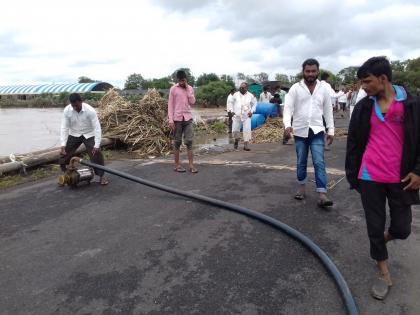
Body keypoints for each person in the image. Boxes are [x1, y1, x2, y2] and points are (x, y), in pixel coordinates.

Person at [345, 56, 420, 300]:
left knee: (402, 228)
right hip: (371, 176)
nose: (363, 87)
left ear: (383, 78)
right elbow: (354, 142)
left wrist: (418, 171)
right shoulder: (364, 107)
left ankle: (381, 241)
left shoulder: (411, 104)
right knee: (374, 225)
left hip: (401, 178)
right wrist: (353, 174)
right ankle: (383, 272)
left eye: (366, 82)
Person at [283, 58, 334, 207]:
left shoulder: (323, 89)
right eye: (307, 71)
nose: (310, 74)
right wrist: (287, 125)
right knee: (301, 161)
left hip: (317, 130)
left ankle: (322, 194)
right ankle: (301, 188)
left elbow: (328, 110)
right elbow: (288, 108)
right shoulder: (295, 88)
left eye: (313, 71)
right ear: (303, 71)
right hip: (299, 131)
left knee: (319, 161)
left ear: (318, 71)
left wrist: (331, 129)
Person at [59, 93, 108, 185]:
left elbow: (97, 128)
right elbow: (64, 127)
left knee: (96, 153)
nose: (75, 108)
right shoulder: (67, 111)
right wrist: (63, 144)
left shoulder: (90, 111)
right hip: (74, 133)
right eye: (73, 106)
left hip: (89, 134)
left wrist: (96, 145)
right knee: (64, 152)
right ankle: (66, 173)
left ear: (81, 101)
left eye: (77, 105)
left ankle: (101, 176)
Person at [168, 70, 197, 173]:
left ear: (186, 79)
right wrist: (170, 120)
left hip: (188, 118)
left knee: (189, 141)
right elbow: (170, 105)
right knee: (177, 143)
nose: (181, 82)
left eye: (183, 80)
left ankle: (191, 166)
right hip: (177, 119)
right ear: (177, 80)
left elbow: (193, 102)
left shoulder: (190, 88)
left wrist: (188, 90)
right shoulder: (173, 89)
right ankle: (177, 165)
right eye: (179, 80)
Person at [229, 82, 257, 151]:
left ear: (246, 88)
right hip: (237, 115)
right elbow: (231, 103)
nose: (241, 88)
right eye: (240, 87)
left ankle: (246, 145)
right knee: (235, 129)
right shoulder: (235, 95)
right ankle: (236, 141)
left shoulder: (250, 95)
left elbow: (254, 104)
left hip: (246, 116)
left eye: (243, 87)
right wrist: (231, 110)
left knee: (247, 130)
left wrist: (252, 111)